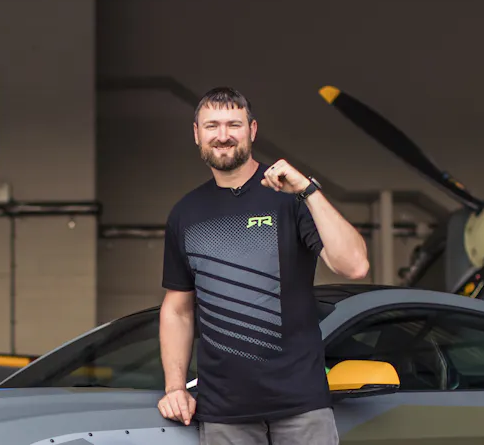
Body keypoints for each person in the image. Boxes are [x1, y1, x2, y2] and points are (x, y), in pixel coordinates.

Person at [157, 86, 369, 444]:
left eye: (233, 124)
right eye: (212, 126)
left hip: (301, 407)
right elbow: (177, 309)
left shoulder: (291, 197)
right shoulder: (185, 214)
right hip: (224, 413)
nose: (223, 135)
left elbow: (355, 266)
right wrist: (175, 387)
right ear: (196, 134)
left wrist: (308, 191)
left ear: (252, 130)